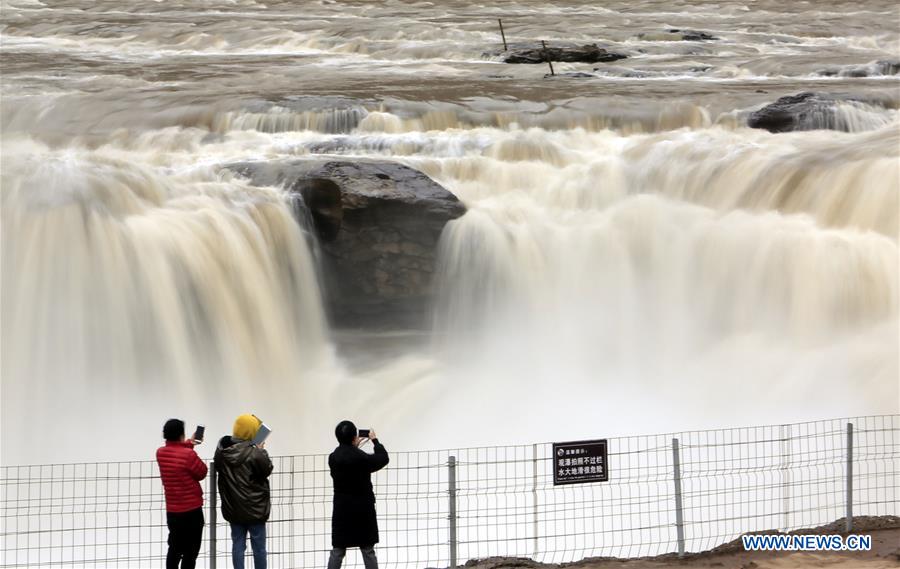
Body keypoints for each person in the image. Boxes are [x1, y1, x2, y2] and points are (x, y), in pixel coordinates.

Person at [327, 421, 389, 569]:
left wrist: (352, 447)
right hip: (363, 510)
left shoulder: (333, 458)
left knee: (338, 550)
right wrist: (375, 440)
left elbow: (347, 456)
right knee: (368, 549)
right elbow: (383, 458)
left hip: (342, 510)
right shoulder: (362, 458)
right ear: (354, 437)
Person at [214, 414, 273, 569]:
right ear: (251, 432)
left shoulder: (222, 451)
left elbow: (219, 466)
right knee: (259, 548)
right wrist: (261, 450)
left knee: (238, 545)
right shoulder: (254, 453)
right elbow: (267, 469)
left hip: (233, 508)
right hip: (255, 509)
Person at [156, 418, 208, 569]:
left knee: (174, 549)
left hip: (173, 512)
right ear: (181, 434)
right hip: (192, 512)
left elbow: (175, 452)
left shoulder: (160, 453)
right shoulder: (188, 455)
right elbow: (202, 472)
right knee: (191, 552)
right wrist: (189, 446)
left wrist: (189, 443)